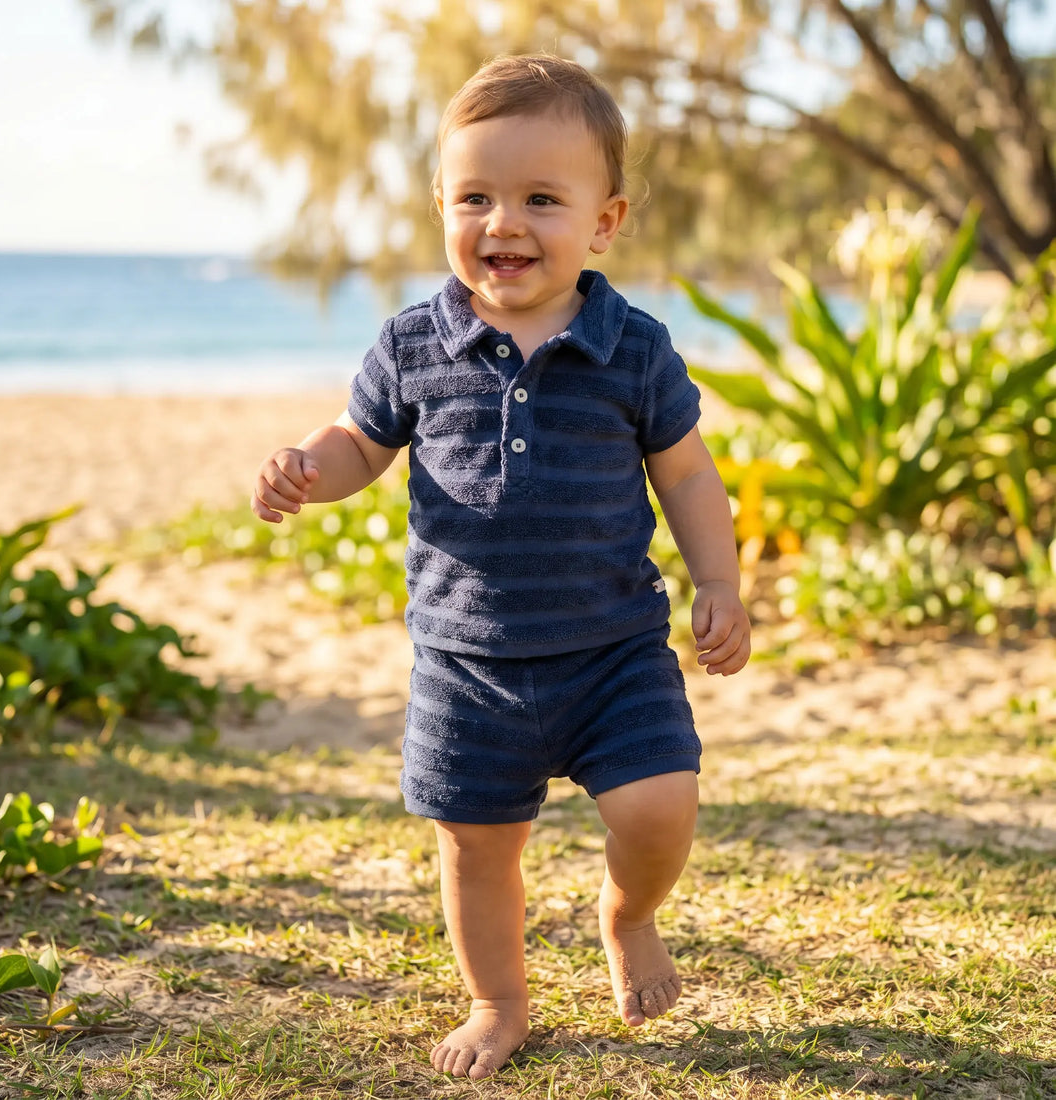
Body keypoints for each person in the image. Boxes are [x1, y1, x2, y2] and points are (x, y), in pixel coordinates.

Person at [252, 53, 751, 1080]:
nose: (503, 223)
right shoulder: (413, 342)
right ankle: (497, 998)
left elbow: (689, 476)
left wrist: (719, 582)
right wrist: (312, 464)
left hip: (613, 647)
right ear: (439, 205)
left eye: (539, 198)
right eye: (473, 196)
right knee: (476, 845)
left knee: (660, 806)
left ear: (603, 222)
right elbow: (361, 438)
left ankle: (629, 915)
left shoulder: (634, 348)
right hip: (465, 661)